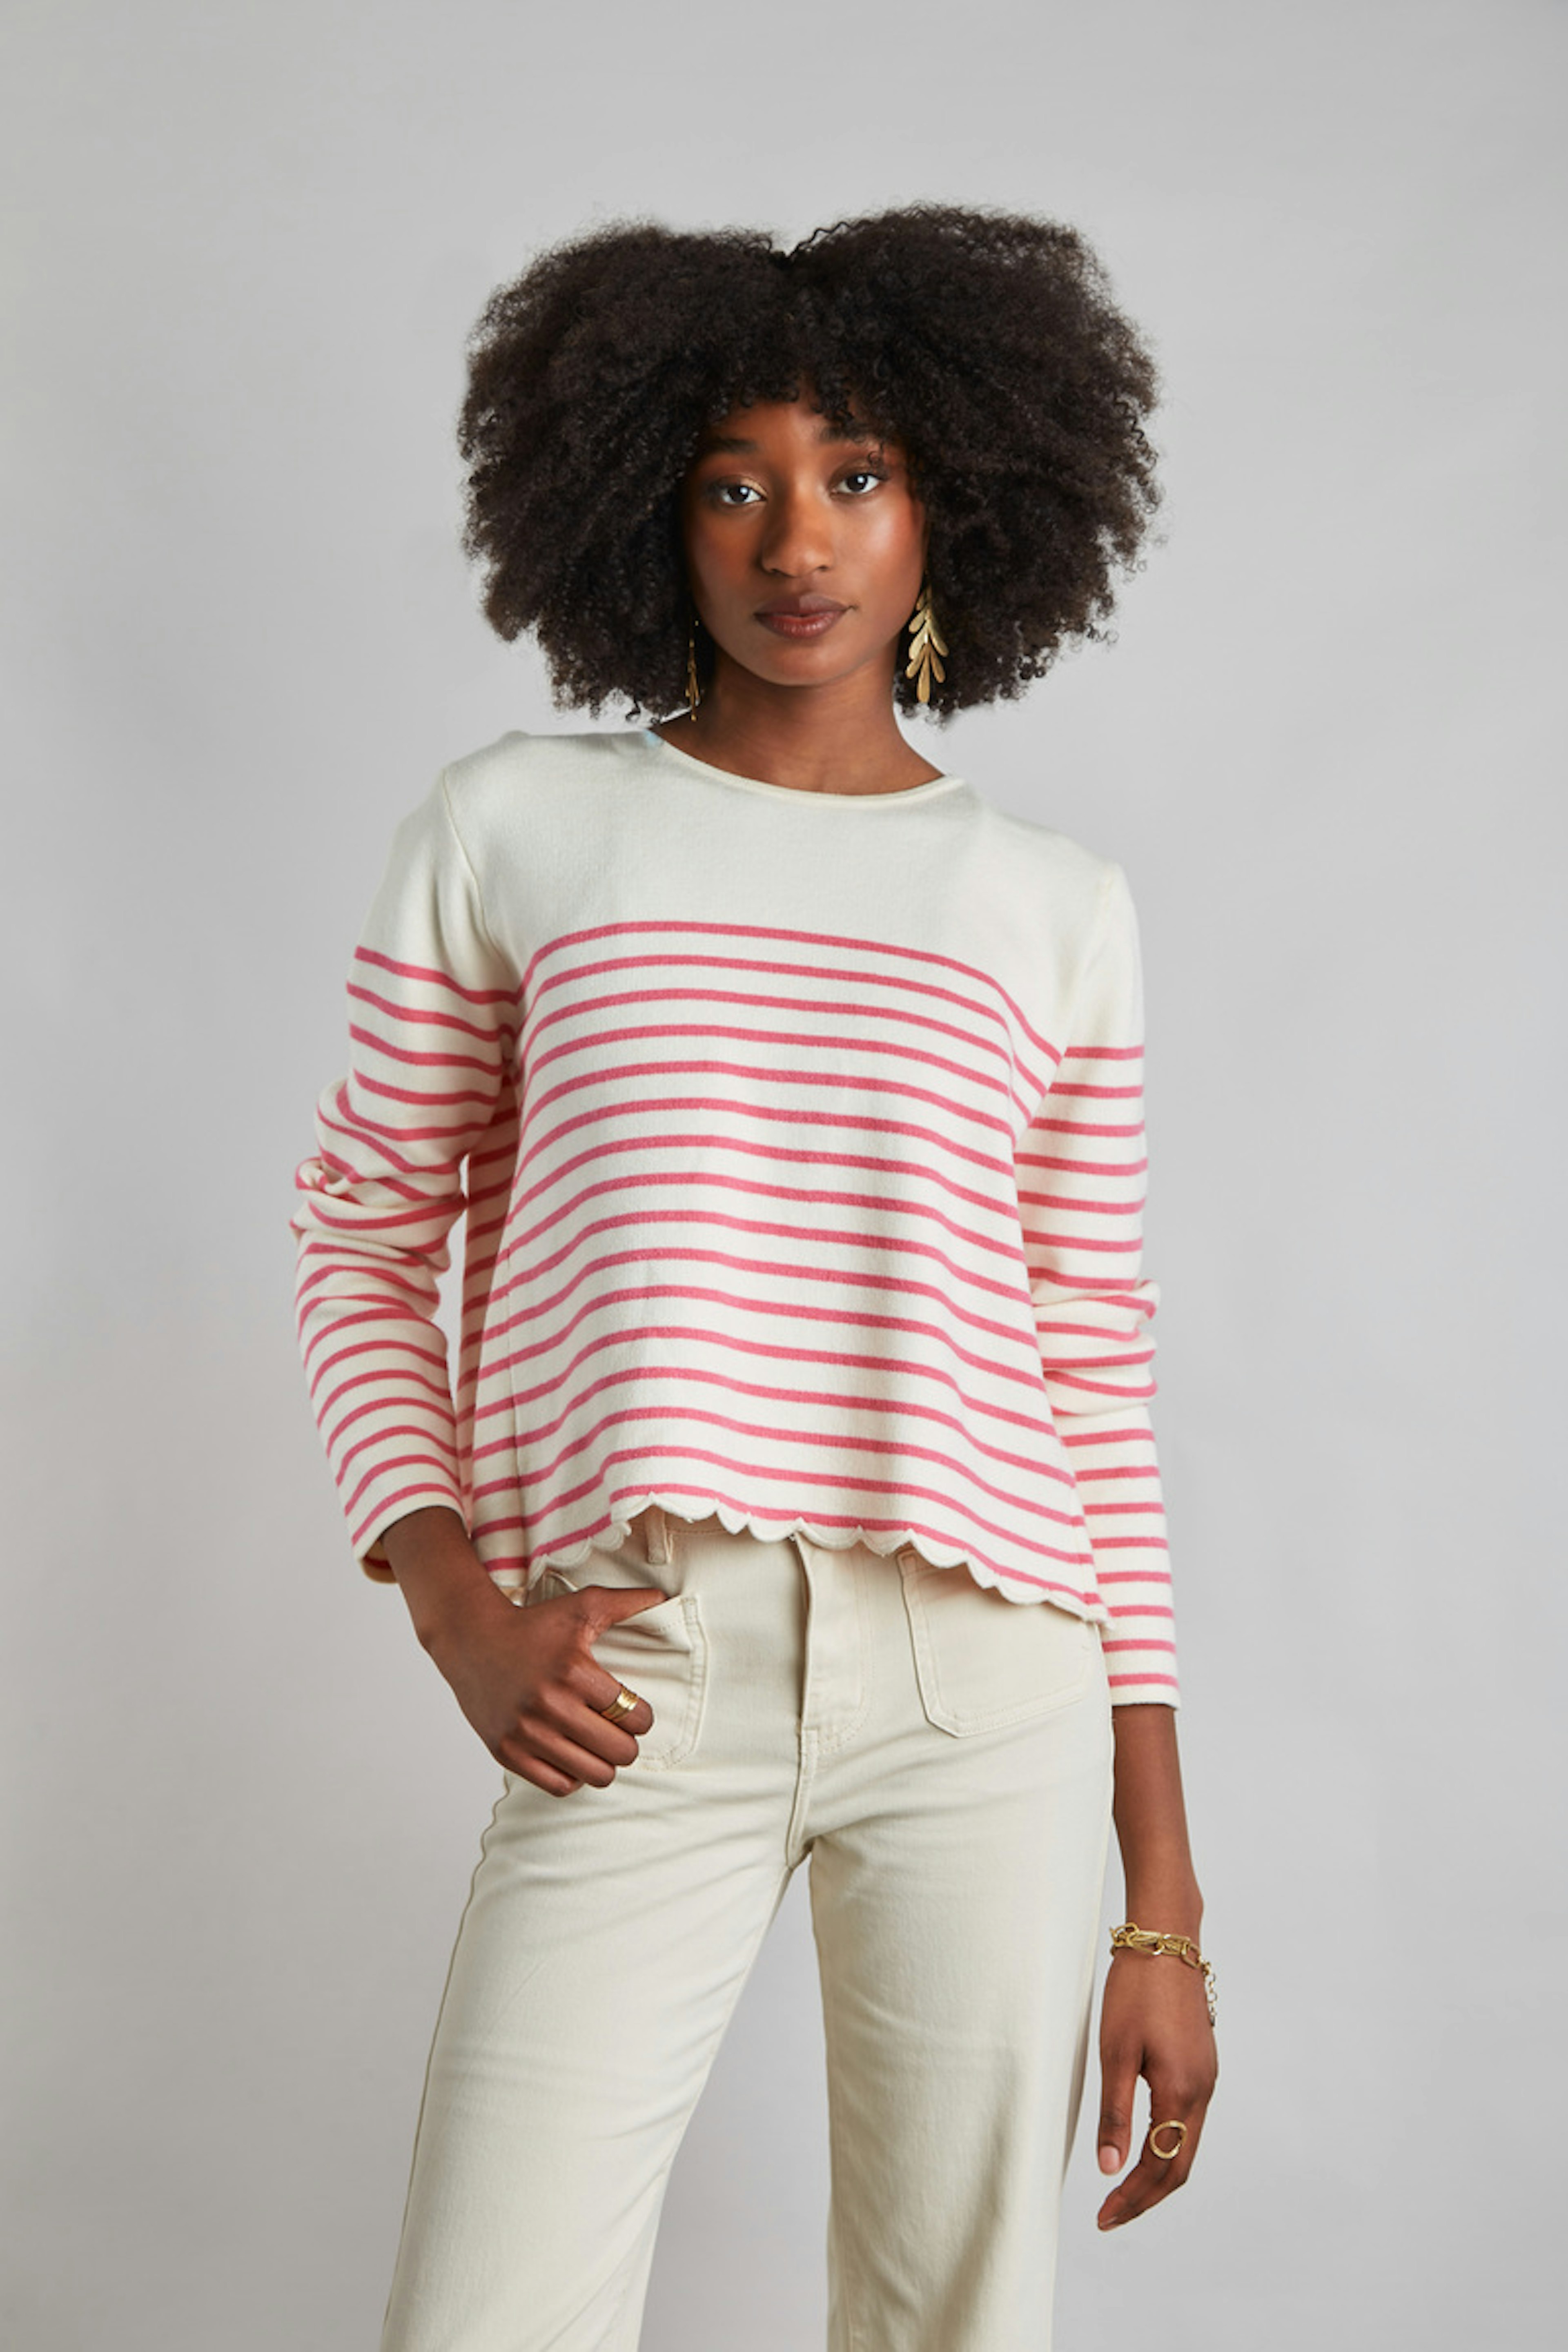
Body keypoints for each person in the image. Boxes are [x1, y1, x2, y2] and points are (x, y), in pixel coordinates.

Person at [291, 201, 1218, 2352]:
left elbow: (1090, 1373)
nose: (799, 541)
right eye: (735, 484)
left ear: (952, 506)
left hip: (985, 1680)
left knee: (952, 2326)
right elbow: (361, 1232)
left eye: (856, 476)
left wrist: (1160, 1896)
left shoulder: (1053, 907)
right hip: (641, 1665)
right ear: (645, 509)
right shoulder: (517, 830)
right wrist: (453, 1607)